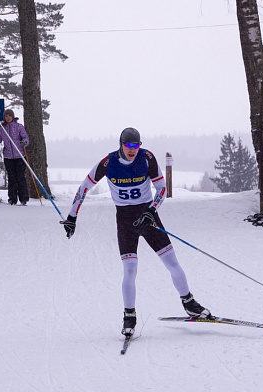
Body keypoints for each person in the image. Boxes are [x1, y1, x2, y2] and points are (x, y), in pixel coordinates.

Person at [60, 127, 211, 337]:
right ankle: (129, 316)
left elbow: (162, 189)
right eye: (129, 145)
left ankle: (189, 303)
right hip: (125, 221)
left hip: (148, 217)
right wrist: (72, 217)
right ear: (121, 145)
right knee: (130, 270)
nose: (133, 150)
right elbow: (84, 187)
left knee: (172, 263)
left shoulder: (147, 158)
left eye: (136, 145)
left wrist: (151, 210)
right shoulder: (108, 162)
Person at [0, 109, 30, 206]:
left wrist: (23, 142)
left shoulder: (19, 126)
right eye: (6, 116)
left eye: (9, 116)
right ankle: (12, 199)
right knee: (11, 178)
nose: (8, 118)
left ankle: (23, 198)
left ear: (12, 116)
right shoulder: (2, 128)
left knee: (20, 177)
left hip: (20, 155)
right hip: (8, 157)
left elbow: (26, 138)